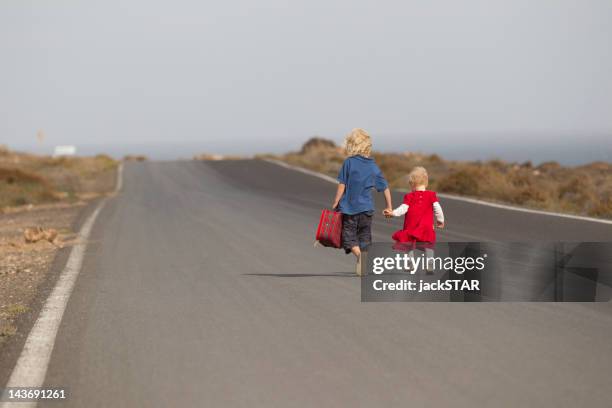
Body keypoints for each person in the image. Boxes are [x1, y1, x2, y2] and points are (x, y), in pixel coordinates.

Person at [332, 128, 393, 276]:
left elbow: (342, 184)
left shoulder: (349, 163)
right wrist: (389, 206)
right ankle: (364, 257)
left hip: (350, 209)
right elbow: (384, 187)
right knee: (365, 237)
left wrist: (336, 201)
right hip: (367, 210)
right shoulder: (373, 166)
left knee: (348, 237)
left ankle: (360, 257)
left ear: (351, 145)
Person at [383, 166, 445, 272]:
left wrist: (393, 213)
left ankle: (410, 264)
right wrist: (440, 220)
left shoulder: (409, 196)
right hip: (426, 226)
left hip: (410, 226)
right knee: (428, 245)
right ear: (426, 182)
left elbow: (403, 209)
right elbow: (437, 208)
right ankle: (430, 264)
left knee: (408, 245)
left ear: (412, 184)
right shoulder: (431, 195)